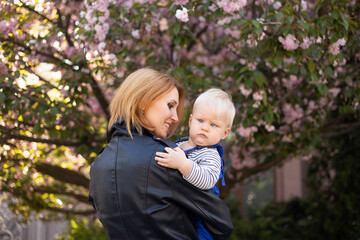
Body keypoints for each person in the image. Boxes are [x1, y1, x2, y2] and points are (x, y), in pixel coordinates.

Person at [88, 68, 233, 240]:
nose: (176, 118)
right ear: (143, 102)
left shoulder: (98, 165)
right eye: (170, 105)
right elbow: (221, 224)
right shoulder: (165, 157)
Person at [155, 88, 236, 240]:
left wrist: (183, 164)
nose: (205, 127)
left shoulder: (210, 155)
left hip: (202, 215)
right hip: (180, 208)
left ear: (224, 133)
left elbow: (206, 180)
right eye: (201, 121)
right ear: (191, 120)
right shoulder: (179, 145)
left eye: (213, 125)